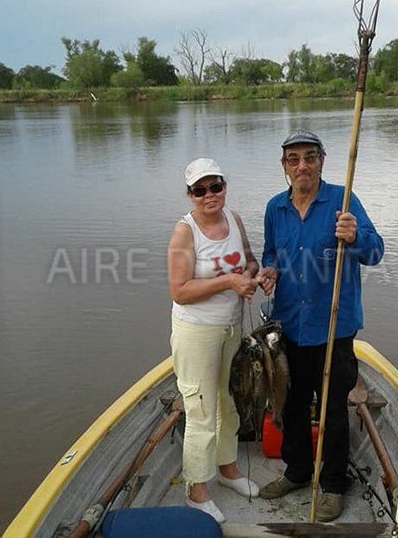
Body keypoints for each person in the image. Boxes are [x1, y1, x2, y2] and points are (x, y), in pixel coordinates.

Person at [255, 129, 384, 521]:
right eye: (293, 159)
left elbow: (375, 251)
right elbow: (270, 252)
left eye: (309, 157)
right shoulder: (275, 208)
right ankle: (297, 471)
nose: (302, 166)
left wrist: (356, 235)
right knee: (292, 404)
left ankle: (332, 484)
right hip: (288, 326)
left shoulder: (343, 202)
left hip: (334, 328)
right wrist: (270, 270)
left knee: (332, 409)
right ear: (284, 167)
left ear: (322, 161)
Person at [167, 158, 261, 523]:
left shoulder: (233, 219)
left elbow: (250, 261)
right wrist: (228, 282)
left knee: (229, 402)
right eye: (200, 190)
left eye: (215, 187)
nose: (209, 195)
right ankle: (197, 491)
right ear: (190, 195)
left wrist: (254, 277)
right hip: (197, 332)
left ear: (224, 186)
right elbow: (180, 291)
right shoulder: (184, 232)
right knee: (201, 410)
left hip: (231, 328)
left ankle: (228, 469)